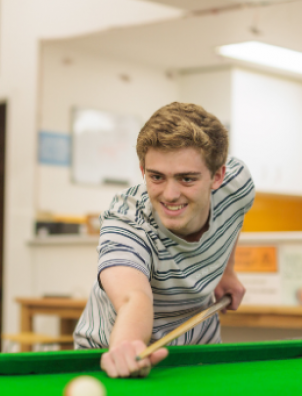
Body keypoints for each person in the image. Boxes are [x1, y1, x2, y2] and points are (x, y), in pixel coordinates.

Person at [73, 102, 254, 378]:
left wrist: (226, 272)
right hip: (115, 359)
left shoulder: (237, 184)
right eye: (157, 177)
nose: (170, 194)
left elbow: (234, 215)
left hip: (197, 350)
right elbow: (134, 297)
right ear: (143, 170)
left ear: (217, 176)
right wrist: (127, 347)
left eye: (186, 179)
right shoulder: (126, 221)